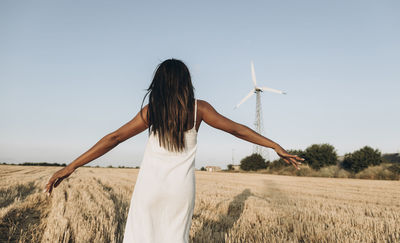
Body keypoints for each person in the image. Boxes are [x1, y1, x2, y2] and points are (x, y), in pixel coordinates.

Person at [44, 58, 304, 243]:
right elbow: (237, 129)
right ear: (185, 82)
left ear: (159, 83)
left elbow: (113, 138)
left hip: (150, 190)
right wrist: (274, 145)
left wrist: (71, 166)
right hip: (180, 193)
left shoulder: (151, 111)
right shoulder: (198, 109)